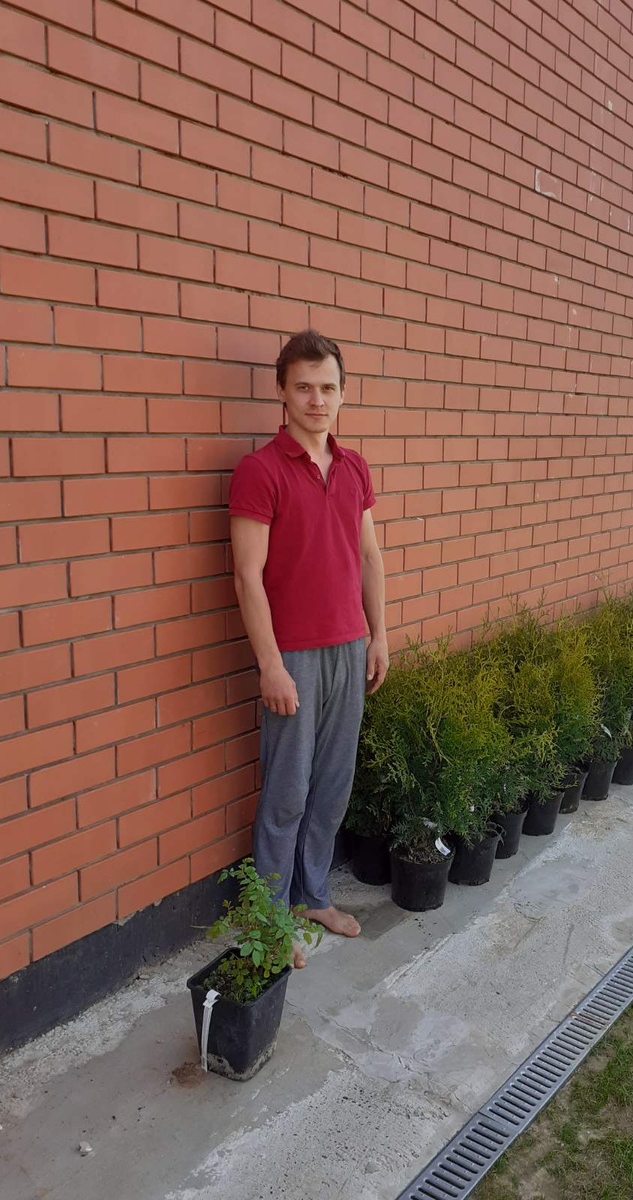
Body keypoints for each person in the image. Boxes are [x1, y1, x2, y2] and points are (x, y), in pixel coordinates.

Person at [228, 330, 388, 966]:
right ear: (282, 392)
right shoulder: (260, 471)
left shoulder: (355, 468)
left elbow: (369, 557)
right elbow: (248, 577)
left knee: (333, 784)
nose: (317, 400)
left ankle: (312, 896)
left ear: (343, 394)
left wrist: (379, 634)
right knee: (287, 790)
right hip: (292, 655)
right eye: (304, 388)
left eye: (328, 388)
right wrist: (270, 665)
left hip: (350, 646)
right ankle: (270, 919)